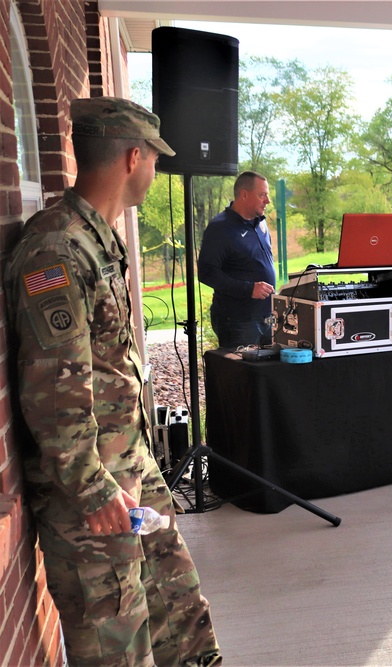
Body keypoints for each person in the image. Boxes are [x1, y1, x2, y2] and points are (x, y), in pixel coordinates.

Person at [4, 97, 221, 666]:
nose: (155, 170)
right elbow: (53, 391)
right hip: (92, 503)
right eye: (154, 158)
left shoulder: (96, 238)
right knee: (116, 651)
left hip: (129, 469)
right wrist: (95, 489)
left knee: (178, 615)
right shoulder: (57, 249)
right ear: (133, 157)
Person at [198, 170, 276, 348]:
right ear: (244, 194)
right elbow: (207, 273)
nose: (267, 201)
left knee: (266, 373)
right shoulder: (220, 228)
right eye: (262, 195)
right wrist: (249, 289)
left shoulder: (261, 223)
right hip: (238, 321)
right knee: (241, 374)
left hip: (268, 317)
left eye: (267, 195)